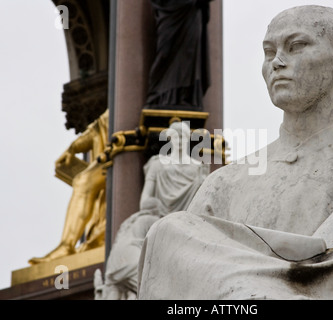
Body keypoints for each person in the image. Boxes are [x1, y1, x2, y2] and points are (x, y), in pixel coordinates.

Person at [137, 6, 333, 300]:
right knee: (167, 233)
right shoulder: (222, 185)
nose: (276, 62)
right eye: (268, 52)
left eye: (296, 46)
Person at [95, 122, 210, 299]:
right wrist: (154, 205)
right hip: (160, 221)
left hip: (188, 226)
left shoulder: (199, 169)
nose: (180, 140)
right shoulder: (157, 165)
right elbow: (145, 201)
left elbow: (203, 206)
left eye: (183, 136)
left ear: (189, 139)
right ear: (170, 139)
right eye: (176, 137)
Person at [29, 110, 109, 265]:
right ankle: (67, 245)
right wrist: (72, 148)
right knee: (83, 181)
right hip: (116, 152)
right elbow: (100, 125)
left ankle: (67, 245)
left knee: (83, 181)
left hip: (133, 150)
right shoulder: (121, 98)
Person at [145, 0, 213, 111]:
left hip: (190, 13)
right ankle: (157, 94)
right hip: (170, 11)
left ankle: (183, 96)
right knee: (164, 54)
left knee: (188, 56)